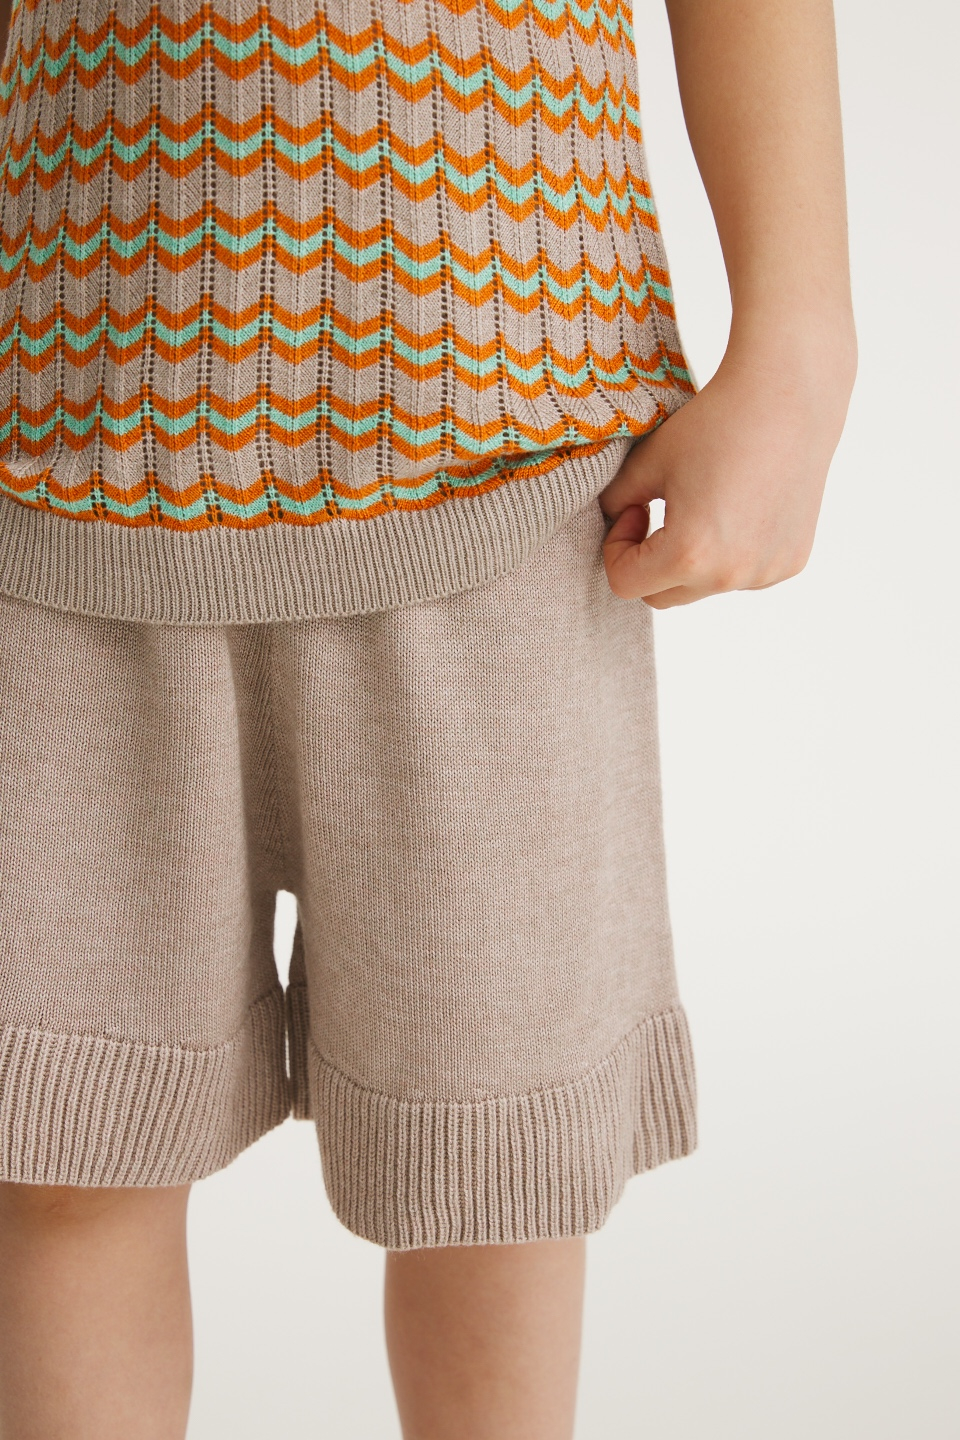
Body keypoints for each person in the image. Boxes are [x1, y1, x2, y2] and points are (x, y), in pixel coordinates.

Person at [0, 0, 855, 1434]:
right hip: (57, 433)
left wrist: (801, 342)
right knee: (62, 1143)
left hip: (511, 441)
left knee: (495, 1172)